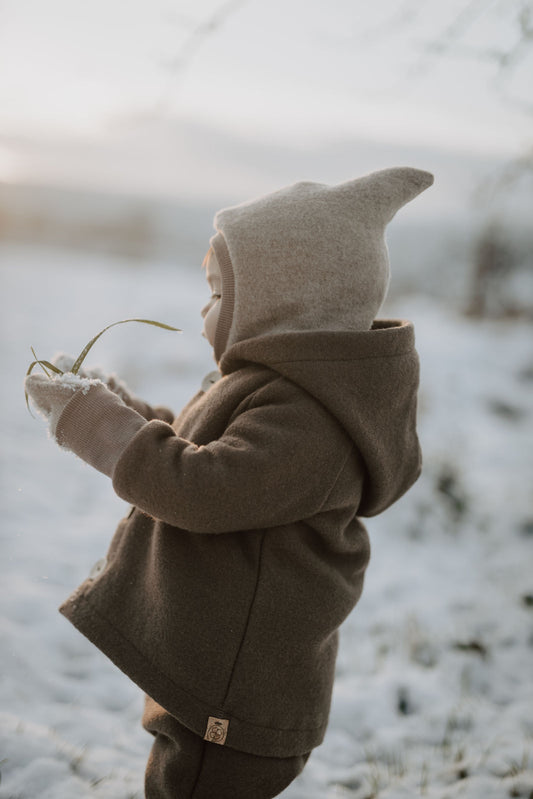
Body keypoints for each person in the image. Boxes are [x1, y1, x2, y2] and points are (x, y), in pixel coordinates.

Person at [25, 166, 433, 799]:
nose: (202, 308)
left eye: (216, 293)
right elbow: (194, 448)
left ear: (282, 301)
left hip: (239, 692)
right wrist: (112, 406)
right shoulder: (270, 385)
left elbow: (202, 488)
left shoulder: (313, 419)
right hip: (214, 670)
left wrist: (96, 427)